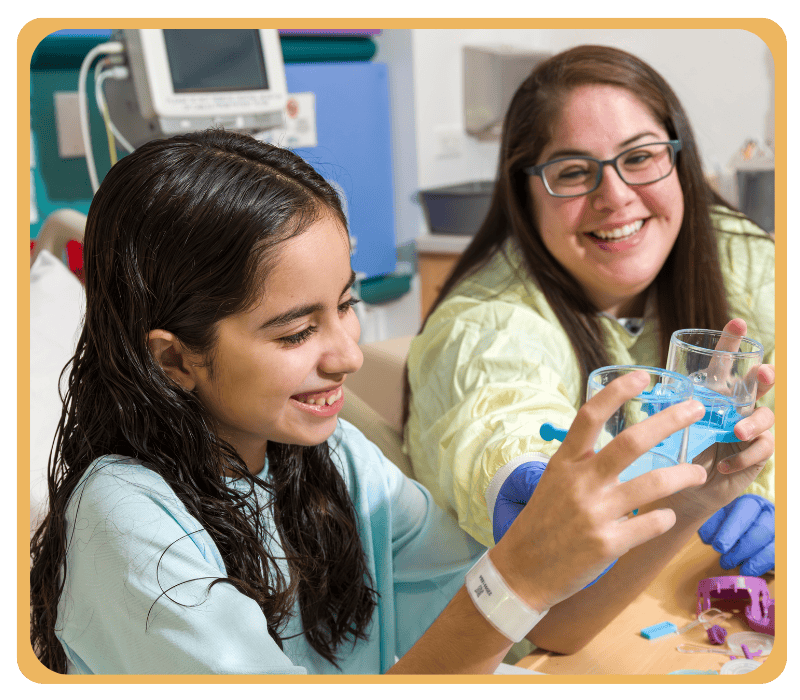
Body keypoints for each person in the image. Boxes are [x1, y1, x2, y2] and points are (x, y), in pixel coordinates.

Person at [30, 129, 737, 674]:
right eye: (296, 332)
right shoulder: (126, 522)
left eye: (346, 305)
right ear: (175, 359)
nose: (348, 355)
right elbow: (505, 602)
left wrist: (696, 497)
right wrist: (518, 572)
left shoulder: (333, 460)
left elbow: (543, 627)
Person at [404, 45, 776, 651]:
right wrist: (532, 482)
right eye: (574, 172)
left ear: (679, 161)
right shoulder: (485, 324)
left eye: (640, 157)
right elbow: (498, 417)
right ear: (524, 190)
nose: (616, 196)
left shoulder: (748, 262)